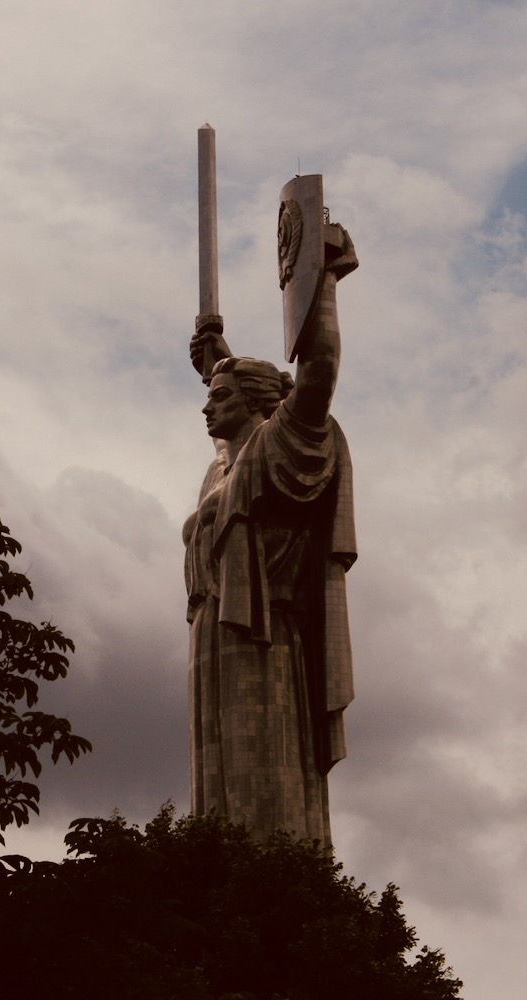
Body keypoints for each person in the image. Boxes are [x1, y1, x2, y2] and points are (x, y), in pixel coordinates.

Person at [183, 225, 357, 844]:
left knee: (262, 782)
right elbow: (238, 407)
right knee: (218, 785)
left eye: (219, 397)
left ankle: (278, 889)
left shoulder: (275, 448)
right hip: (213, 635)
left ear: (256, 405)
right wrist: (220, 361)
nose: (206, 406)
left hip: (262, 638)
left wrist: (323, 283)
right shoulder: (224, 467)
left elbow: (317, 374)